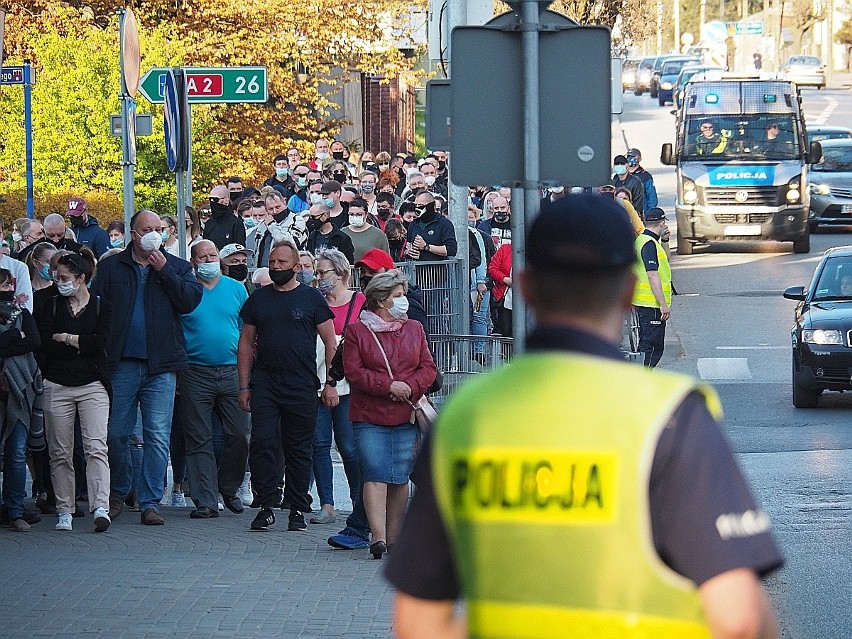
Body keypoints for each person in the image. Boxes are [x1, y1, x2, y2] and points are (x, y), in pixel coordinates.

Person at [386, 194, 783, 639]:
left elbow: (418, 624)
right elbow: (738, 619)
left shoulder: (465, 417)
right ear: (630, 293)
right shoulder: (669, 416)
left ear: (526, 287)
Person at [90, 209, 203, 526]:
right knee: (116, 434)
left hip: (161, 365)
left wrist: (164, 270)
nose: (155, 233)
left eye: (160, 228)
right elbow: (96, 309)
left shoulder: (178, 267)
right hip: (121, 363)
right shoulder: (111, 267)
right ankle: (119, 491)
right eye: (147, 229)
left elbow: (190, 302)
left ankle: (150, 501)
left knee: (157, 436)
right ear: (133, 233)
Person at [237, 241, 338, 533]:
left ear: (296, 267)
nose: (276, 267)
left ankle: (296, 507)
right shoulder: (258, 299)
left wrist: (331, 383)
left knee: (298, 447)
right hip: (266, 382)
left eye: (282, 263)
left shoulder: (312, 299)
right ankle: (266, 504)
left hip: (302, 384)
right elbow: (245, 343)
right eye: (273, 262)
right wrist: (244, 386)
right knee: (262, 443)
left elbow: (331, 343)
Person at [343, 271, 436, 559]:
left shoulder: (415, 329)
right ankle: (378, 537)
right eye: (397, 295)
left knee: (399, 475)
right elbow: (354, 372)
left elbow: (428, 368)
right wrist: (388, 386)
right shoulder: (357, 331)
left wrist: (409, 386)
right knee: (375, 471)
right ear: (381, 300)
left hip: (405, 413)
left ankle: (395, 538)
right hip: (369, 415)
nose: (404, 301)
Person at [36, 252, 113, 533]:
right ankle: (65, 509)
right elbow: (45, 345)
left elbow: (101, 342)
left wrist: (67, 338)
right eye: (57, 278)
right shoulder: (50, 306)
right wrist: (82, 343)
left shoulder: (102, 306)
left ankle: (100, 506)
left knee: (96, 447)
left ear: (81, 278)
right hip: (56, 384)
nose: (60, 283)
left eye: (65, 278)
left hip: (92, 384)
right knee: (60, 452)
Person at [178, 240, 250, 519]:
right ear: (193, 261)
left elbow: (247, 331)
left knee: (239, 434)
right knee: (198, 438)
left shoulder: (236, 289)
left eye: (212, 255)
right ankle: (205, 500)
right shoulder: (187, 291)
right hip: (195, 372)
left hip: (233, 371)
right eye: (202, 256)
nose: (208, 260)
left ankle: (229, 486)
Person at [310, 249, 365, 526]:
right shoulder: (313, 302)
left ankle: (359, 502)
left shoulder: (359, 302)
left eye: (324, 273)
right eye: (317, 273)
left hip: (348, 384)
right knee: (319, 444)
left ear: (341, 273)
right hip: (315, 381)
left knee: (349, 446)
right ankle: (327, 503)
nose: (319, 278)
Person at [0, 268, 42, 532]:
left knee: (16, 454)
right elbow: (23, 340)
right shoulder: (19, 322)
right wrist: (16, 336)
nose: (5, 291)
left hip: (18, 391)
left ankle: (15, 510)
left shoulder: (22, 314)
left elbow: (35, 341)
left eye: (7, 285)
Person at [633, 207, 672, 368]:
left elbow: (665, 260)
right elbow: (652, 274)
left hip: (645, 303)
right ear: (662, 223)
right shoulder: (649, 244)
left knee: (647, 346)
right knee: (652, 348)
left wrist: (666, 241)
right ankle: (639, 384)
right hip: (652, 304)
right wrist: (663, 305)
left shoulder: (644, 240)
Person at [202, 186, 246, 250]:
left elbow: (239, 249)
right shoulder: (209, 224)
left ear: (226, 200)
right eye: (210, 199)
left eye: (215, 200)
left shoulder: (236, 223)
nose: (212, 203)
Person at [626, 148, 658, 212]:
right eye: (628, 156)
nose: (630, 158)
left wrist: (649, 212)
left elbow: (652, 197)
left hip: (641, 213)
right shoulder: (622, 175)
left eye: (633, 156)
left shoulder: (645, 176)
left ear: (639, 158)